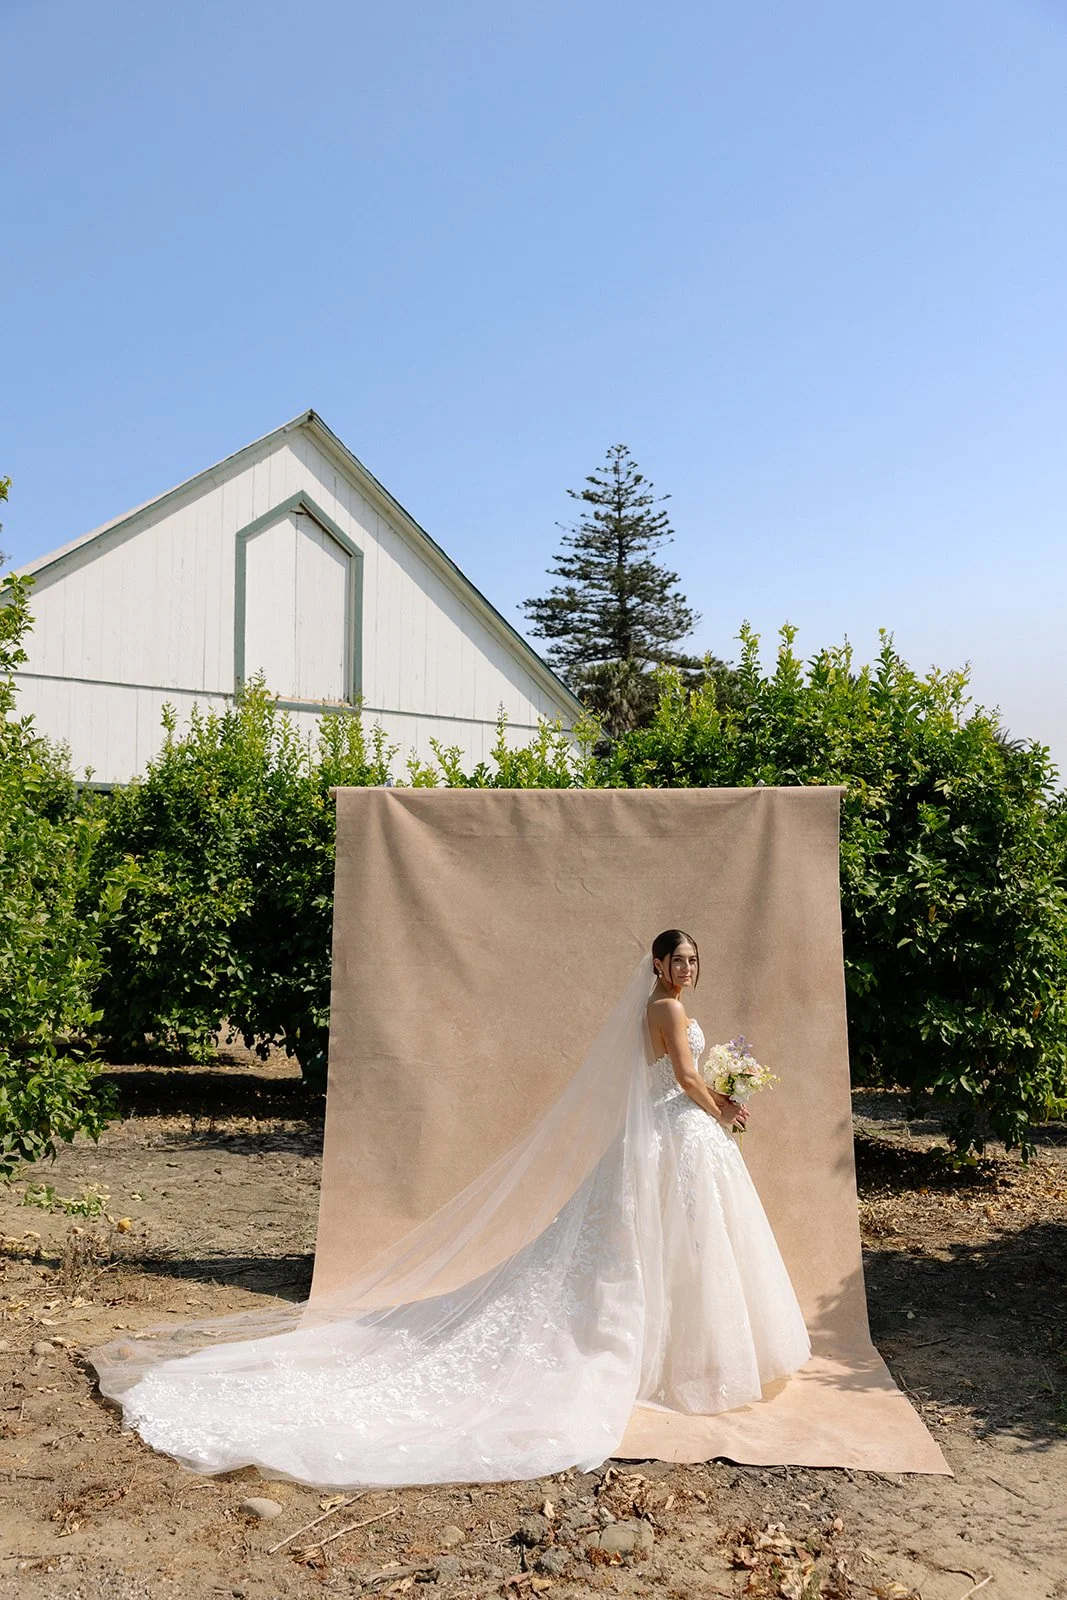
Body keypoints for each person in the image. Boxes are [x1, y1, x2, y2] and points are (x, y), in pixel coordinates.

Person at [88, 930, 811, 1488]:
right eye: (675, 959)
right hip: (678, 1129)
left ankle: (681, 1353)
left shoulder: (666, 1006)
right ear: (655, 967)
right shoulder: (666, 1009)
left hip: (672, 1135)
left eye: (691, 960)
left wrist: (716, 1102)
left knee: (676, 1242)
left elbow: (680, 1074)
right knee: (664, 1242)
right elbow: (683, 1075)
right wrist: (722, 1106)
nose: (685, 968)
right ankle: (673, 1360)